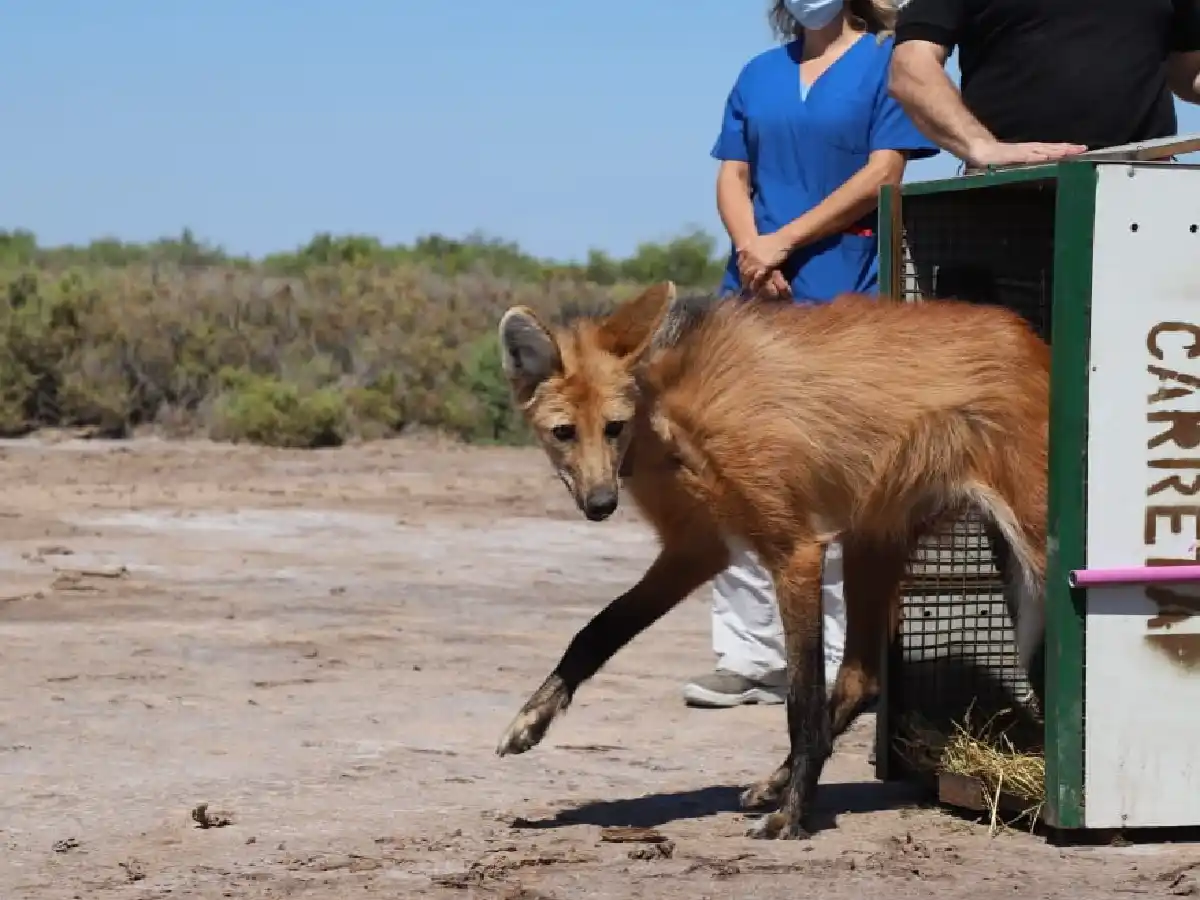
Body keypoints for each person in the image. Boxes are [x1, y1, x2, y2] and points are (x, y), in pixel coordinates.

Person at [680, 0, 939, 716]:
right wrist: (750, 249)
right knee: (731, 473)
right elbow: (733, 175)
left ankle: (834, 663)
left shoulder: (888, 63)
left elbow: (884, 173)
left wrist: (783, 242)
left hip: (839, 281)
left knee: (835, 479)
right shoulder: (759, 73)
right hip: (750, 293)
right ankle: (748, 657)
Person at [887, 0, 1200, 171]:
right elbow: (911, 66)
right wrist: (979, 145)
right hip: (1013, 191)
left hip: (1142, 190)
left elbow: (1188, 74)